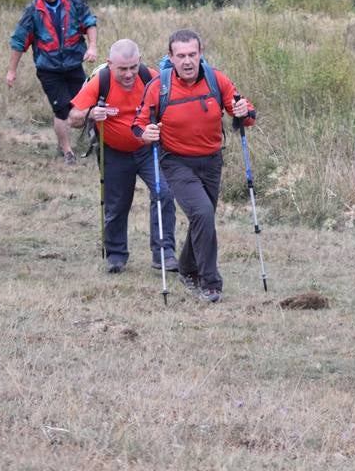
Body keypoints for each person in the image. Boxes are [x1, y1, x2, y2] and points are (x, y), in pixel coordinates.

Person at [133, 29, 254, 303]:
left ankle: (187, 267)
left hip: (211, 161)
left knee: (204, 216)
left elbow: (245, 113)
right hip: (175, 162)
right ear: (171, 57)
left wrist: (243, 112)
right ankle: (209, 282)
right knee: (202, 211)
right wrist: (146, 134)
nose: (187, 61)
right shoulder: (159, 86)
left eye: (192, 55)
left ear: (201, 54)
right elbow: (137, 126)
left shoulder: (216, 79)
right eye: (181, 56)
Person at [69, 39, 177, 274]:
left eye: (133, 68)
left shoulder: (151, 77)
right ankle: (116, 255)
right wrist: (90, 113)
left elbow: (171, 107)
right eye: (123, 69)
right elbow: (73, 118)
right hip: (114, 153)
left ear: (139, 62)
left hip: (148, 150)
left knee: (164, 194)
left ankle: (164, 253)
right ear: (109, 64)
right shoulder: (102, 81)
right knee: (117, 205)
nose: (129, 74)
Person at [6, 0, 98, 165]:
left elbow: (89, 23)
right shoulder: (32, 11)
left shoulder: (73, 2)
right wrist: (12, 71)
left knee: (86, 107)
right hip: (49, 69)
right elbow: (18, 41)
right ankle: (67, 151)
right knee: (62, 111)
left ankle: (95, 140)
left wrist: (92, 47)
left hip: (74, 64)